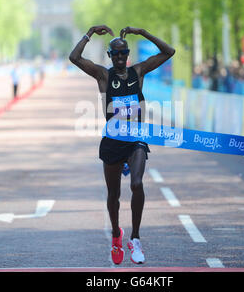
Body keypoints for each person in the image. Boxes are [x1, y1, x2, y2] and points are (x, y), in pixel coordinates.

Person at [69, 25, 175, 265]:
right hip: (112, 142)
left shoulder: (138, 72)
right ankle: (117, 234)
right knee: (114, 195)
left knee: (137, 184)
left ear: (128, 54)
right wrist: (89, 33)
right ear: (109, 55)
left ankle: (135, 239)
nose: (119, 57)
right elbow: (74, 58)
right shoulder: (104, 76)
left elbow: (169, 52)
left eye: (123, 53)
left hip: (136, 140)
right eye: (115, 54)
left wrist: (145, 33)